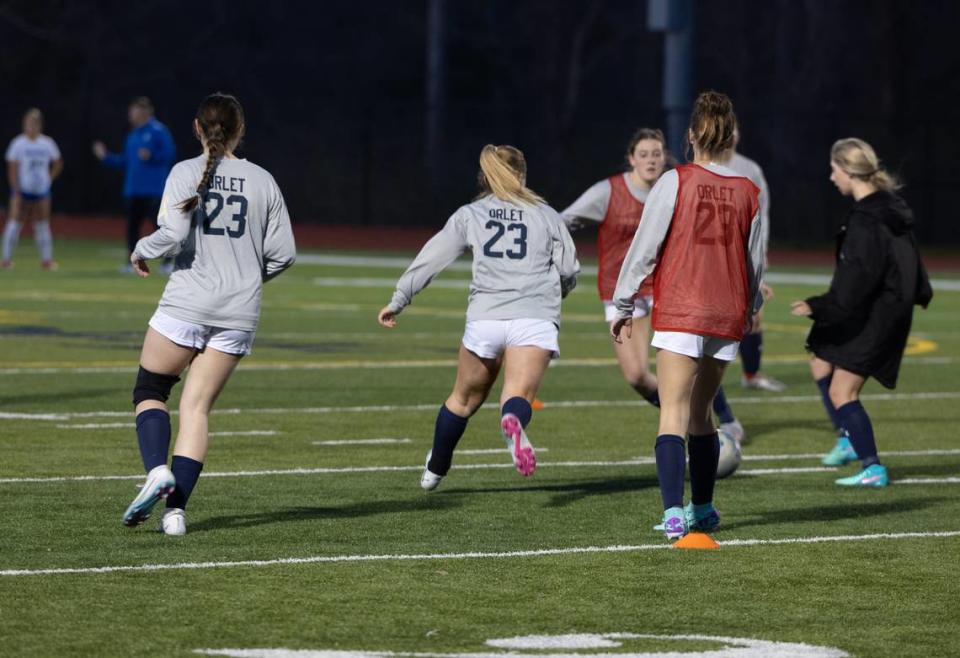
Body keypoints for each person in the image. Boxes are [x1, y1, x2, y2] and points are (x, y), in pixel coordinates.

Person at [121, 93, 296, 535]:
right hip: (239, 312)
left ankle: (156, 471)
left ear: (197, 128)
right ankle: (176, 513)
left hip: (188, 301)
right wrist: (247, 280)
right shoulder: (263, 180)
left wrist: (140, 250)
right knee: (196, 409)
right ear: (240, 130)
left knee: (151, 389)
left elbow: (174, 233)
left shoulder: (184, 171)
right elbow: (284, 255)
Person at [379, 144, 579, 491]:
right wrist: (559, 292)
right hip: (533, 316)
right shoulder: (546, 214)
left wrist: (400, 298)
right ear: (522, 175)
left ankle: (436, 468)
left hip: (485, 318)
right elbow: (568, 268)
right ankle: (513, 419)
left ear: (484, 177)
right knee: (516, 394)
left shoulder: (470, 214)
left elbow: (433, 257)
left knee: (462, 399)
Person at [611, 91, 764, 540]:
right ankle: (704, 507)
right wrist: (750, 308)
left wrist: (623, 303)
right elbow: (754, 262)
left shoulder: (676, 180)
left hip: (683, 307)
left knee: (672, 413)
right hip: (726, 312)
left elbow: (645, 247)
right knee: (703, 415)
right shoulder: (748, 190)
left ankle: (674, 513)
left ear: (693, 134)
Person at [562, 128, 746, 443]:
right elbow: (563, 220)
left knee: (691, 362)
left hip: (668, 287)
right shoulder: (609, 191)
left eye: (657, 154)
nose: (651, 160)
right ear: (631, 159)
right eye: (644, 154)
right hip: (621, 290)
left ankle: (716, 422)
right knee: (636, 375)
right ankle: (688, 417)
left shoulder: (678, 186)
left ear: (665, 157)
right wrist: (561, 257)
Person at [791, 138, 931, 487]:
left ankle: (872, 466)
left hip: (876, 314)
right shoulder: (888, 208)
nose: (830, 177)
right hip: (882, 309)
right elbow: (908, 265)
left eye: (833, 169)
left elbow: (858, 277)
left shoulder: (868, 219)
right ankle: (847, 439)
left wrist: (819, 306)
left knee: (843, 391)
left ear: (848, 171)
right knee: (820, 361)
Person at [720, 126, 785, 393]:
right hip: (711, 255)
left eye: (734, 132)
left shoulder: (750, 168)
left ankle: (751, 374)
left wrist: (761, 251)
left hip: (744, 252)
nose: (731, 137)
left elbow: (763, 213)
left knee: (754, 314)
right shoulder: (701, 166)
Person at [93, 96, 176, 273]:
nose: (131, 115)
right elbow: (124, 161)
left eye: (135, 111)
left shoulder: (159, 131)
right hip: (134, 190)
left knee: (160, 226)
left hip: (155, 190)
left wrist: (152, 155)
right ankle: (133, 263)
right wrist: (105, 156)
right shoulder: (132, 135)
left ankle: (168, 262)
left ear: (145, 112)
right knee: (132, 228)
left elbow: (170, 155)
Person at [2, 108, 63, 269]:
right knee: (14, 223)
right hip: (22, 190)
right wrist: (16, 189)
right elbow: (12, 167)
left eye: (34, 123)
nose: (31, 126)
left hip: (41, 191)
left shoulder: (47, 143)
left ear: (40, 125)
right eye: (28, 123)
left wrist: (48, 179)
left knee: (42, 224)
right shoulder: (18, 143)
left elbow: (57, 162)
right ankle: (6, 259)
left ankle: (46, 260)